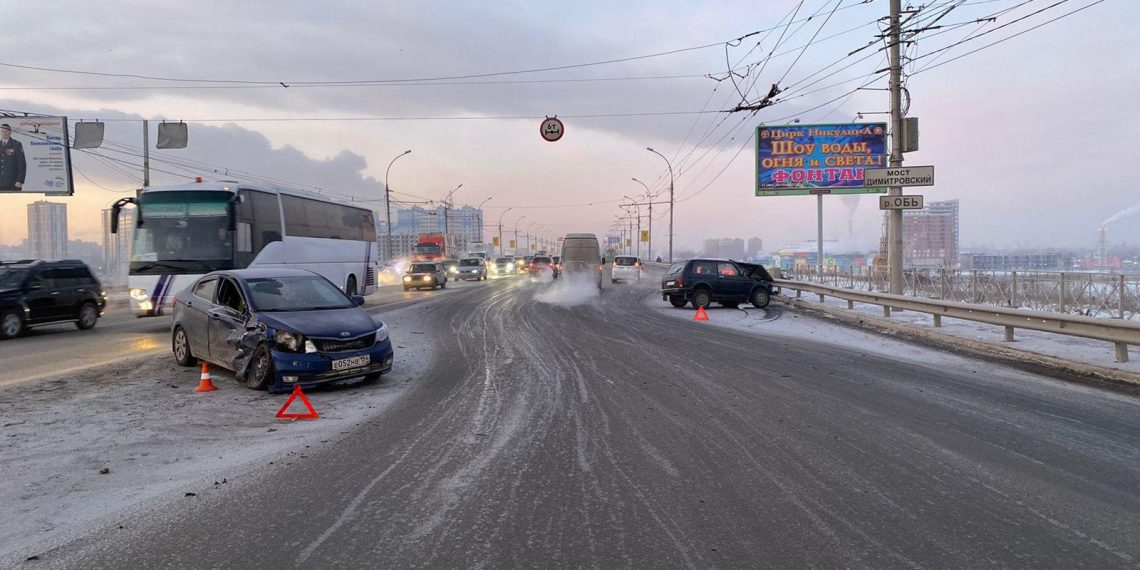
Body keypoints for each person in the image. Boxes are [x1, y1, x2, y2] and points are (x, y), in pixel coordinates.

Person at [0, 124, 27, 191]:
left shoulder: (16, 144)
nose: (4, 133)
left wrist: (20, 181)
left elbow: (22, 164)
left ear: (10, 132)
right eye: (2, 131)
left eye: (6, 131)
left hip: (13, 182)